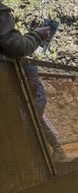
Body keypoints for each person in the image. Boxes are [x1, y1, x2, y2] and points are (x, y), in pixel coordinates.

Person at [0, 2, 66, 161]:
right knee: (35, 122)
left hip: (36, 97)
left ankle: (50, 153)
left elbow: (18, 49)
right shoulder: (20, 59)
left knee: (32, 122)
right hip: (29, 98)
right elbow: (18, 47)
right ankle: (49, 153)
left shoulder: (25, 62)